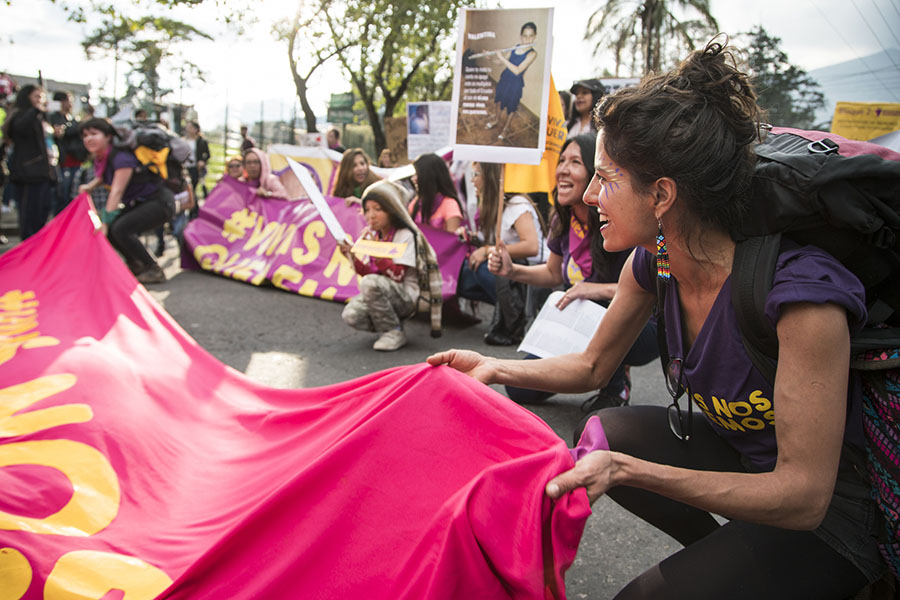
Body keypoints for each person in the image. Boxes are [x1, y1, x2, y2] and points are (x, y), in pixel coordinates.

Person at [428, 40, 886, 598]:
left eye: (606, 177)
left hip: (827, 517)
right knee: (603, 432)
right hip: (743, 458)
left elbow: (803, 494)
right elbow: (593, 367)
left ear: (662, 194)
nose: (592, 194)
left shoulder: (800, 295)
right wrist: (495, 368)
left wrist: (626, 471)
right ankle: (725, 560)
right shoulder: (653, 262)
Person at [494, 133, 657, 407]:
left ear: (597, 175)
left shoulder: (621, 220)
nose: (563, 170)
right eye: (561, 161)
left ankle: (615, 388)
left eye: (575, 162)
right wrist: (512, 272)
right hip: (576, 324)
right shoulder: (563, 219)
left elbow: (652, 287)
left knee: (600, 311)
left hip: (636, 328)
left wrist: (593, 290)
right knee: (519, 389)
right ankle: (594, 368)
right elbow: (553, 275)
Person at [456, 161, 545, 345]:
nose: (472, 181)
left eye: (476, 175)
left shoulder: (516, 205)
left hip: (531, 271)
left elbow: (531, 246)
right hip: (507, 269)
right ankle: (505, 309)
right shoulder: (490, 206)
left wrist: (487, 251)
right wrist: (473, 238)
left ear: (489, 177)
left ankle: (515, 315)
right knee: (462, 274)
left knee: (482, 267)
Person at [77, 117, 174, 284]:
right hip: (144, 202)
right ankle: (137, 266)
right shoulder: (105, 157)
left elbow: (117, 190)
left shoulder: (121, 157)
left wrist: (105, 222)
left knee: (120, 228)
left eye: (94, 134)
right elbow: (105, 177)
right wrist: (90, 186)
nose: (88, 139)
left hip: (159, 203)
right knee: (116, 228)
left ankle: (153, 269)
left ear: (108, 136)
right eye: (85, 135)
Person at [339, 181, 419, 352]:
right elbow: (371, 273)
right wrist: (350, 255)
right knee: (351, 315)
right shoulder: (376, 235)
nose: (371, 216)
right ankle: (390, 325)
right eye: (367, 210)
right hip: (385, 291)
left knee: (369, 283)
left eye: (378, 209)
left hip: (406, 296)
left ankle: (393, 332)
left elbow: (397, 276)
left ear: (392, 211)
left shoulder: (405, 235)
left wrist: (375, 250)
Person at [2, 84, 56, 240]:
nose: (40, 100)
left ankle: (36, 246)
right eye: (36, 96)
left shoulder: (39, 116)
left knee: (43, 210)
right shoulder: (19, 115)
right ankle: (28, 247)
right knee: (28, 214)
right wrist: (36, 109)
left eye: (41, 96)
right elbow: (19, 128)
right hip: (27, 172)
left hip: (44, 171)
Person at [488, 22, 538, 141]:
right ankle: (496, 120)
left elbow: (517, 71)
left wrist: (501, 58)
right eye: (525, 36)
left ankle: (506, 129)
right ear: (521, 36)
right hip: (505, 78)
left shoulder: (532, 53)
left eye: (531, 36)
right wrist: (492, 58)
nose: (528, 39)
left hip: (515, 83)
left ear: (535, 36)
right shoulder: (515, 47)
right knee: (498, 100)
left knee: (511, 107)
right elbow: (502, 62)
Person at [49, 90, 86, 215]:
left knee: (72, 195)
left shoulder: (74, 119)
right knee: (61, 196)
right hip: (62, 162)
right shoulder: (52, 118)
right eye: (67, 100)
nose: (70, 104)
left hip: (76, 160)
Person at [407, 152, 464, 233]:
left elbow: (452, 241)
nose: (413, 178)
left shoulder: (450, 204)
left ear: (429, 176)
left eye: (417, 174)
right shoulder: (415, 204)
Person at [183, 120, 210, 203]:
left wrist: (202, 161)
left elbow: (207, 154)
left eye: (190, 127)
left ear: (195, 129)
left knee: (193, 187)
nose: (188, 129)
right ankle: (193, 207)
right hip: (185, 167)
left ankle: (194, 208)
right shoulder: (184, 140)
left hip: (196, 168)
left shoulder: (201, 141)